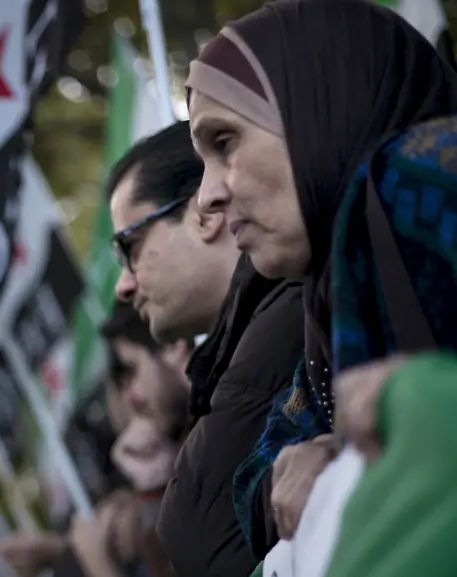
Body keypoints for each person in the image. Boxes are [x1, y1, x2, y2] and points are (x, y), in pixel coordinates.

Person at [185, 0, 457, 547]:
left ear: (321, 107)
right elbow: (259, 478)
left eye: (224, 143)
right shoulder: (334, 299)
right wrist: (324, 454)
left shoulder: (428, 176)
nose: (207, 197)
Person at [109, 120, 305, 576]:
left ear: (204, 211)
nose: (123, 285)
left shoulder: (290, 313)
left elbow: (202, 542)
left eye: (130, 247)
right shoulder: (254, 334)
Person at [0, 302, 191, 577]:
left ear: (173, 348)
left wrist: (97, 560)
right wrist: (61, 551)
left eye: (131, 370)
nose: (130, 398)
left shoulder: (217, 438)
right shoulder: (181, 456)